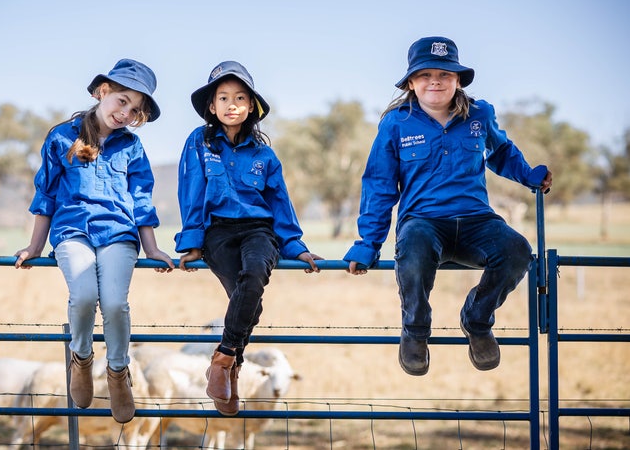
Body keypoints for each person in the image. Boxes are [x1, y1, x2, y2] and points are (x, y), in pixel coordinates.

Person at [344, 37, 553, 376]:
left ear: (458, 80)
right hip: (423, 223)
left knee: (517, 250)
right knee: (412, 251)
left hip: (476, 222)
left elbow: (500, 153)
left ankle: (477, 320)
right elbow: (379, 185)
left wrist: (529, 176)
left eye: (445, 74)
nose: (435, 82)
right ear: (411, 82)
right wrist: (368, 244)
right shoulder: (396, 123)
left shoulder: (480, 114)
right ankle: (414, 331)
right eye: (425, 75)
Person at [14, 58, 174, 423]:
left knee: (116, 303)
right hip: (73, 232)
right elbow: (46, 196)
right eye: (121, 101)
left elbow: (140, 199)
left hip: (119, 234)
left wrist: (151, 248)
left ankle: (118, 372)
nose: (125, 113)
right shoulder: (61, 137)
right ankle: (81, 359)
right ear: (103, 91)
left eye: (135, 110)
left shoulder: (131, 147)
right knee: (84, 295)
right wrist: (35, 247)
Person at [175, 61, 322, 415]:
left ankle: (223, 361)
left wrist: (295, 247)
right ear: (211, 106)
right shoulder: (199, 143)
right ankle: (234, 372)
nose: (231, 104)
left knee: (254, 274)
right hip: (218, 232)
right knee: (248, 303)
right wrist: (192, 240)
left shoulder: (265, 154)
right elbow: (191, 191)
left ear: (251, 107)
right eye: (223, 97)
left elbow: (279, 202)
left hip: (259, 230)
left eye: (240, 98)